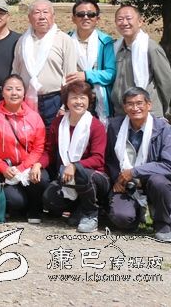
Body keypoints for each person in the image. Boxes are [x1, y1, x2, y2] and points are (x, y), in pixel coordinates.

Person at [105, 87, 171, 243]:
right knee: (122, 219)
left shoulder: (163, 128)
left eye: (139, 103)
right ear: (124, 107)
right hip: (126, 182)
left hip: (152, 181)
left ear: (149, 105)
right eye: (130, 104)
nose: (135, 108)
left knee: (159, 182)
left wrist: (134, 172)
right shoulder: (114, 126)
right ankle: (138, 213)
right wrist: (117, 179)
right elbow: (110, 159)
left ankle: (163, 225)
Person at [39, 81, 108, 233]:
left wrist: (75, 166)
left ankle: (91, 214)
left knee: (81, 174)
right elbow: (49, 151)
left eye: (83, 98)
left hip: (95, 176)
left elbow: (98, 158)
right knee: (49, 199)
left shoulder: (96, 125)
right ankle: (78, 209)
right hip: (66, 175)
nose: (78, 102)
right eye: (74, 97)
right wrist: (38, 164)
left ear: (89, 100)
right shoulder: (58, 123)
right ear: (66, 101)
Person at [0, 74, 48, 223]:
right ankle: (19, 208)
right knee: (16, 201)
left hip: (27, 167)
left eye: (18, 89)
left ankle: (35, 209)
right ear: (2, 92)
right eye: (9, 89)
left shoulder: (34, 117)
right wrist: (3, 168)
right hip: (5, 170)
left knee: (42, 179)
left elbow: (38, 148)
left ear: (24, 93)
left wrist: (24, 167)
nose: (14, 93)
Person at [12, 0, 80, 128]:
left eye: (45, 12)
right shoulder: (22, 41)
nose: (42, 17)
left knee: (53, 137)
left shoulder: (64, 40)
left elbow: (71, 77)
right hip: (26, 100)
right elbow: (15, 71)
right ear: (29, 18)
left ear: (53, 16)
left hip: (54, 100)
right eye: (37, 12)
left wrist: (65, 106)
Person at [111, 5, 171, 118]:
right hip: (121, 112)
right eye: (120, 19)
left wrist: (164, 108)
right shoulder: (115, 48)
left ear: (140, 22)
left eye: (129, 18)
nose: (124, 23)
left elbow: (166, 82)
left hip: (147, 113)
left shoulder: (150, 48)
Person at [68, 0, 116, 122]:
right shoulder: (65, 40)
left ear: (97, 19)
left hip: (98, 99)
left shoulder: (106, 42)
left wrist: (86, 75)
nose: (86, 17)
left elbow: (110, 74)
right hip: (72, 98)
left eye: (91, 14)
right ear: (73, 19)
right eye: (80, 14)